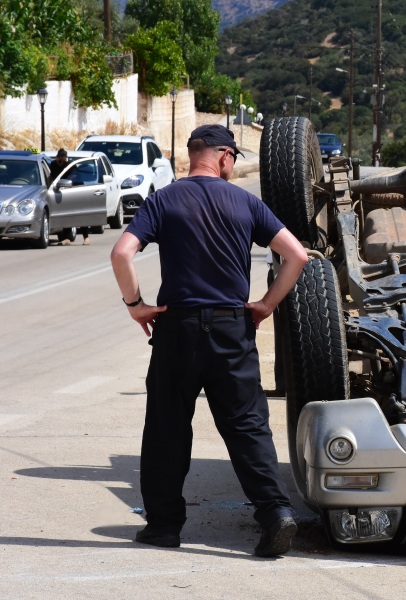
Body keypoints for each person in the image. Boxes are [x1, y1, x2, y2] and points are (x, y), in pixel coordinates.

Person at [110, 124, 309, 557]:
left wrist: (136, 305)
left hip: (176, 329)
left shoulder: (163, 200)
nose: (232, 165)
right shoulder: (245, 202)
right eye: (233, 158)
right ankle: (276, 514)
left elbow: (121, 253)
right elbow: (296, 255)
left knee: (166, 427)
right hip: (231, 328)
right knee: (247, 426)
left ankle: (164, 527)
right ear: (222, 156)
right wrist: (266, 305)